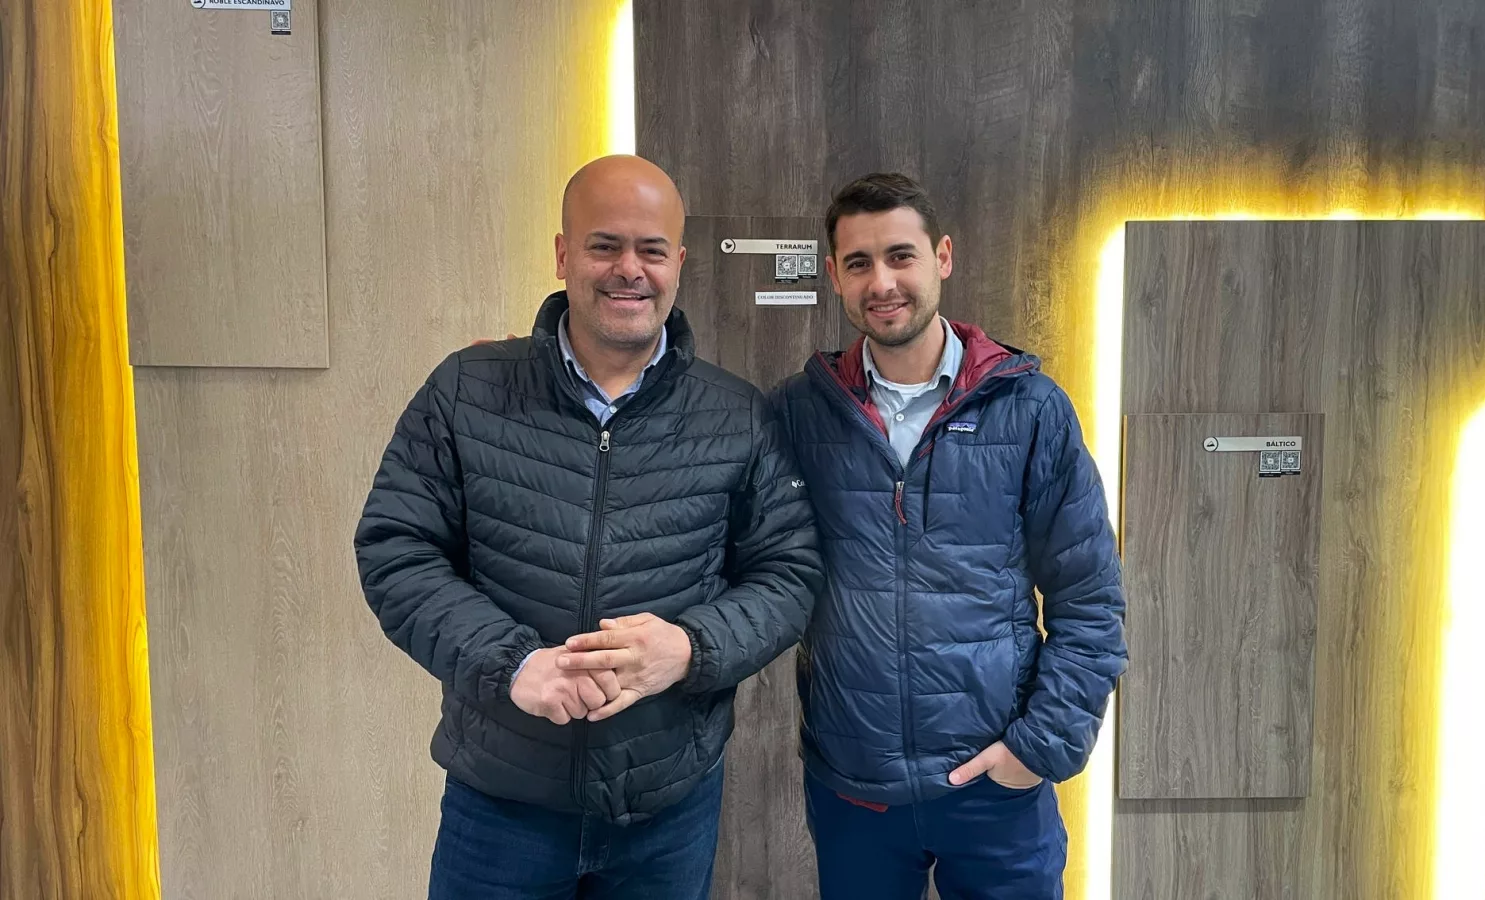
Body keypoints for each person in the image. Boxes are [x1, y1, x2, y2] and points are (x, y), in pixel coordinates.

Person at [353, 154, 823, 900]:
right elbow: (396, 551)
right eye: (605, 245)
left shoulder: (735, 414)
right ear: (564, 255)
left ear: (679, 265)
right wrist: (512, 665)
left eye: (651, 250)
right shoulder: (466, 391)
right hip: (500, 805)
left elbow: (789, 572)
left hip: (667, 809)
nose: (629, 269)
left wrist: (690, 648)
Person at [770, 172, 1127, 899]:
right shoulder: (798, 414)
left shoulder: (1029, 409)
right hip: (856, 787)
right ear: (835, 275)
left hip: (996, 784)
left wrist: (1038, 749)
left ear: (943, 257)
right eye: (859, 262)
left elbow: (1089, 599)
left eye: (900, 256)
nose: (882, 282)